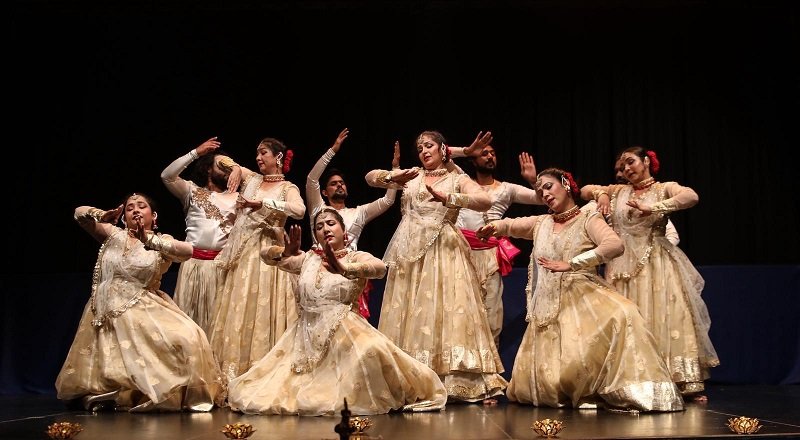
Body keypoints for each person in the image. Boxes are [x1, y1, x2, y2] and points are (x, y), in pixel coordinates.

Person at [476, 167, 684, 412]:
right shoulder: (541, 223)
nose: (545, 194)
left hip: (581, 296)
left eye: (549, 186)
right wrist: (494, 227)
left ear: (566, 184)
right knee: (548, 386)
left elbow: (614, 245)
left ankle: (631, 389)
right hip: (548, 305)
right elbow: (512, 225)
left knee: (625, 313)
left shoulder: (588, 217)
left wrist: (573, 263)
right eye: (540, 191)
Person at [227, 208, 447, 416]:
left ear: (344, 231)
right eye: (319, 226)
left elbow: (380, 269)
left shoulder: (356, 257)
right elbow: (266, 256)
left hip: (345, 328)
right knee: (265, 392)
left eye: (331, 224)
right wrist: (284, 252)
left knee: (372, 350)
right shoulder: (308, 259)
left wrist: (344, 268)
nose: (325, 229)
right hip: (305, 334)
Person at [365, 130, 507, 403]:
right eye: (420, 149)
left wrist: (450, 199)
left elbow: (485, 200)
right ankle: (411, 379)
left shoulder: (457, 178)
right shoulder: (412, 175)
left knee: (445, 308)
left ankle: (451, 380)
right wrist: (392, 177)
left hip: (443, 249)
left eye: (429, 146)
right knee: (410, 310)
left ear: (443, 149)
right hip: (409, 252)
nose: (423, 152)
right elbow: (370, 177)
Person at [55, 193, 225, 412]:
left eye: (141, 206)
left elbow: (187, 252)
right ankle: (114, 393)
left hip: (144, 306)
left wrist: (149, 240)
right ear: (123, 217)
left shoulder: (162, 241)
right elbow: (79, 213)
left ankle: (159, 392)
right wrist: (101, 214)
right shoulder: (113, 234)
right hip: (106, 308)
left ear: (153, 216)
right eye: (129, 208)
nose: (135, 210)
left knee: (190, 337)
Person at [580, 146, 719, 400]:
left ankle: (678, 380)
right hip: (621, 268)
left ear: (646, 161)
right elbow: (584, 189)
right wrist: (601, 194)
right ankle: (634, 380)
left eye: (631, 162)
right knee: (627, 320)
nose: (626, 169)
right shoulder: (618, 191)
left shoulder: (664, 188)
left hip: (655, 264)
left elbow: (691, 196)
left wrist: (655, 207)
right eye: (623, 166)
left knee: (664, 318)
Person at [209, 136, 306, 384]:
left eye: (263, 153)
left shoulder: (287, 188)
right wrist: (236, 168)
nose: (258, 158)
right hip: (243, 256)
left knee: (265, 307)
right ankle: (235, 375)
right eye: (257, 153)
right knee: (239, 306)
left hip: (268, 256)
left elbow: (299, 210)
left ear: (278, 157)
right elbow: (219, 160)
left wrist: (263, 203)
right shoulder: (251, 178)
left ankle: (265, 372)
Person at [448, 143, 544, 348]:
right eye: (484, 153)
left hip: (489, 254)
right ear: (473, 160)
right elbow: (443, 152)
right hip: (460, 251)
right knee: (460, 306)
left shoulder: (506, 189)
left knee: (491, 308)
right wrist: (467, 150)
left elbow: (542, 199)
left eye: (493, 153)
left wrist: (533, 180)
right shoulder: (462, 182)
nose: (490, 156)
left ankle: (491, 360)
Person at [306, 128, 398, 319]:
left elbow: (388, 200)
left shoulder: (358, 213)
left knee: (349, 320)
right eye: (333, 184)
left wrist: (395, 171)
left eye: (342, 183)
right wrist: (332, 151)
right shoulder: (319, 210)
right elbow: (312, 179)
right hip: (318, 268)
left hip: (349, 270)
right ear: (324, 192)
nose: (339, 185)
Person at [160, 136, 239, 334]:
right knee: (189, 324)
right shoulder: (192, 192)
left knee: (220, 326)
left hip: (222, 268)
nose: (227, 169)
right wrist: (195, 153)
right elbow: (167, 176)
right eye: (221, 164)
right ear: (208, 169)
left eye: (229, 166)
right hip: (193, 266)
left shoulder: (239, 198)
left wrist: (237, 168)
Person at [613, 157, 680, 246]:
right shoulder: (614, 196)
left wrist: (656, 252)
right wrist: (602, 194)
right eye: (620, 169)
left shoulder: (652, 197)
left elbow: (672, 235)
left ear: (645, 161)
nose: (619, 174)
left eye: (621, 170)